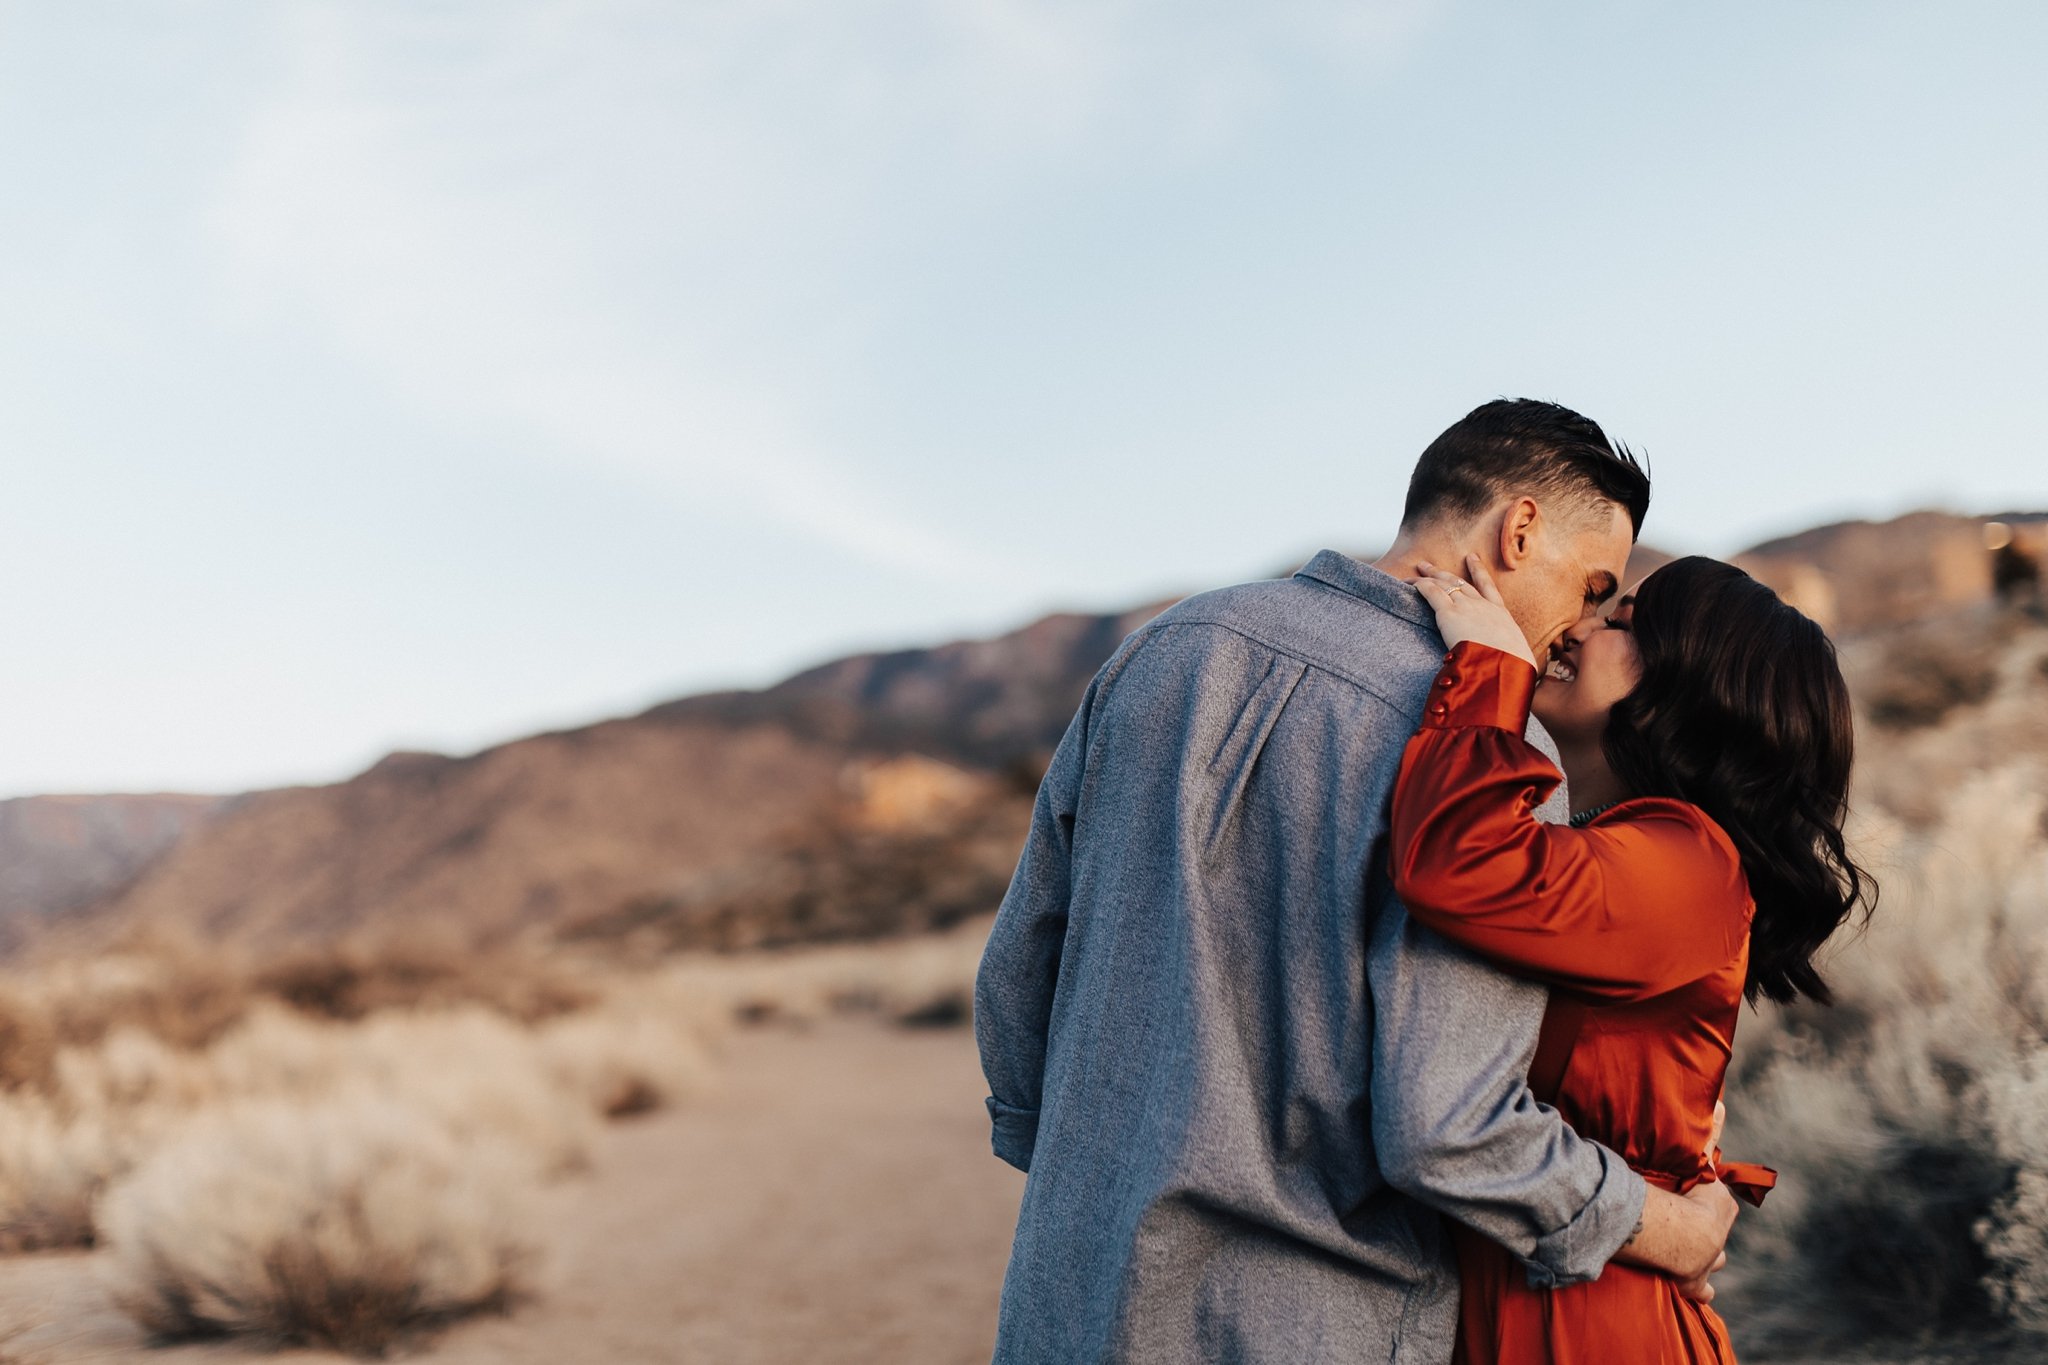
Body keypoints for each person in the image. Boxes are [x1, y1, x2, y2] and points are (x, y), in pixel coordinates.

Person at [975, 400, 1736, 1365]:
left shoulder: (1164, 650)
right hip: (1316, 1319)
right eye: (1591, 587)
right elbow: (1447, 1128)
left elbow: (1015, 976)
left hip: (1069, 1299)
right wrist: (1664, 1226)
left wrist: (1091, 1183)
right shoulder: (1490, 754)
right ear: (1520, 529)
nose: (1575, 631)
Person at [1392, 553, 1872, 1362]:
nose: (1576, 626)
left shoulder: (1689, 861)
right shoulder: (1620, 853)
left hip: (1591, 1327)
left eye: (1621, 622)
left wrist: (1489, 671)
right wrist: (1686, 1208)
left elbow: (1455, 860)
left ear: (1695, 687)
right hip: (1534, 1301)